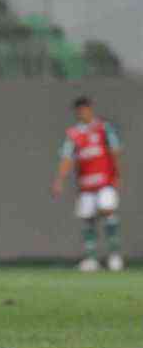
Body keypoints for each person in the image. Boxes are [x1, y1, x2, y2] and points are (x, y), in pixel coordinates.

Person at [52, 96, 123, 272]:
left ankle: (114, 256)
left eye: (84, 108)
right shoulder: (74, 134)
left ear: (90, 109)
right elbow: (67, 158)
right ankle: (91, 259)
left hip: (105, 180)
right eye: (78, 109)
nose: (81, 112)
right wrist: (59, 180)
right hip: (86, 183)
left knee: (108, 211)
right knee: (87, 218)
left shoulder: (103, 128)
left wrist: (117, 173)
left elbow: (115, 151)